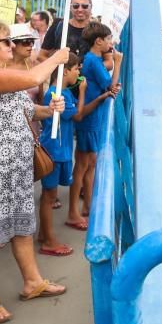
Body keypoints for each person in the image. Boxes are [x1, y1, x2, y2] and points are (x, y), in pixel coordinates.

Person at [0, 19, 70, 324]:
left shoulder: (7, 74)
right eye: (7, 41)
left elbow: (23, 108)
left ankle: (32, 281)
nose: (13, 45)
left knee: (22, 225)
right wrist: (56, 58)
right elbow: (34, 76)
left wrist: (50, 110)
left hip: (15, 163)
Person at [39, 54, 112, 255]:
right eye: (76, 69)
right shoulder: (58, 94)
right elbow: (78, 115)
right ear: (67, 70)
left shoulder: (62, 92)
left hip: (59, 150)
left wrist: (98, 98)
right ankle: (49, 240)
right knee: (49, 196)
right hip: (54, 150)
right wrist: (82, 92)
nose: (79, 73)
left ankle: (44, 234)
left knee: (50, 195)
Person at [66, 22, 122, 231]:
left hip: (93, 118)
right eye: (108, 39)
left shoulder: (93, 60)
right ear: (98, 41)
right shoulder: (93, 61)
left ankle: (88, 206)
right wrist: (117, 63)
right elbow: (112, 86)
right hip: (89, 120)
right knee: (82, 166)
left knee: (90, 164)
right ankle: (74, 212)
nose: (111, 42)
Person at [8, 23, 43, 105]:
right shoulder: (0, 66)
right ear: (12, 44)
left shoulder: (35, 66)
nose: (31, 45)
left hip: (32, 116)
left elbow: (40, 100)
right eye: (26, 42)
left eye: (32, 41)